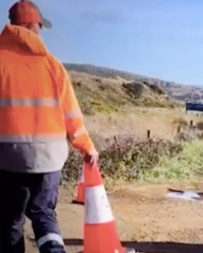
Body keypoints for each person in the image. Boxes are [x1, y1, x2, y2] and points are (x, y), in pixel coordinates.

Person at [0, 1, 99, 252]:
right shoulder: (53, 66)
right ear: (33, 26)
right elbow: (71, 115)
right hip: (49, 158)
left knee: (10, 221)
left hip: (7, 158)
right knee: (44, 214)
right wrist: (86, 147)